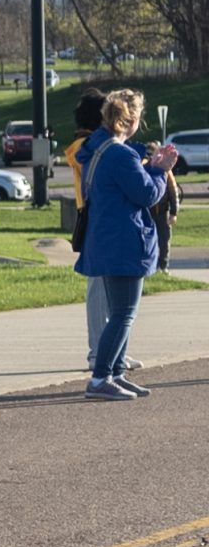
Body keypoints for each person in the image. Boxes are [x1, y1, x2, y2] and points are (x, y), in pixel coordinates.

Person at [76, 89, 177, 401]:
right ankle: (100, 378)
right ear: (131, 120)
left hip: (106, 240)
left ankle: (115, 371)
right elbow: (146, 195)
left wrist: (151, 170)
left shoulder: (98, 150)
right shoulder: (120, 154)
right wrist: (160, 170)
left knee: (122, 311)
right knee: (123, 313)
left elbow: (128, 186)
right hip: (123, 242)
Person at [146, 141, 179, 274]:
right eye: (147, 155)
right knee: (148, 241)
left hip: (162, 212)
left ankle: (163, 265)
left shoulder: (166, 170)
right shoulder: (142, 169)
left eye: (151, 154)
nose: (149, 158)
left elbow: (172, 191)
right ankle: (151, 266)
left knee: (164, 240)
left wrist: (174, 212)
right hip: (148, 213)